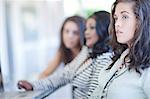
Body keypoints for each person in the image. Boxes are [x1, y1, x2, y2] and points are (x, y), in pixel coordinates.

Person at [18, 11, 113, 98]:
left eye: (92, 28)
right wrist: (34, 85)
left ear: (103, 30)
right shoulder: (87, 51)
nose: (86, 32)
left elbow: (94, 95)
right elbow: (64, 75)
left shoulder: (104, 58)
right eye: (86, 28)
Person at [89, 0, 150, 99]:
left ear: (142, 21)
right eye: (116, 18)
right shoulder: (121, 57)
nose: (117, 24)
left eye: (125, 17)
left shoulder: (147, 67)